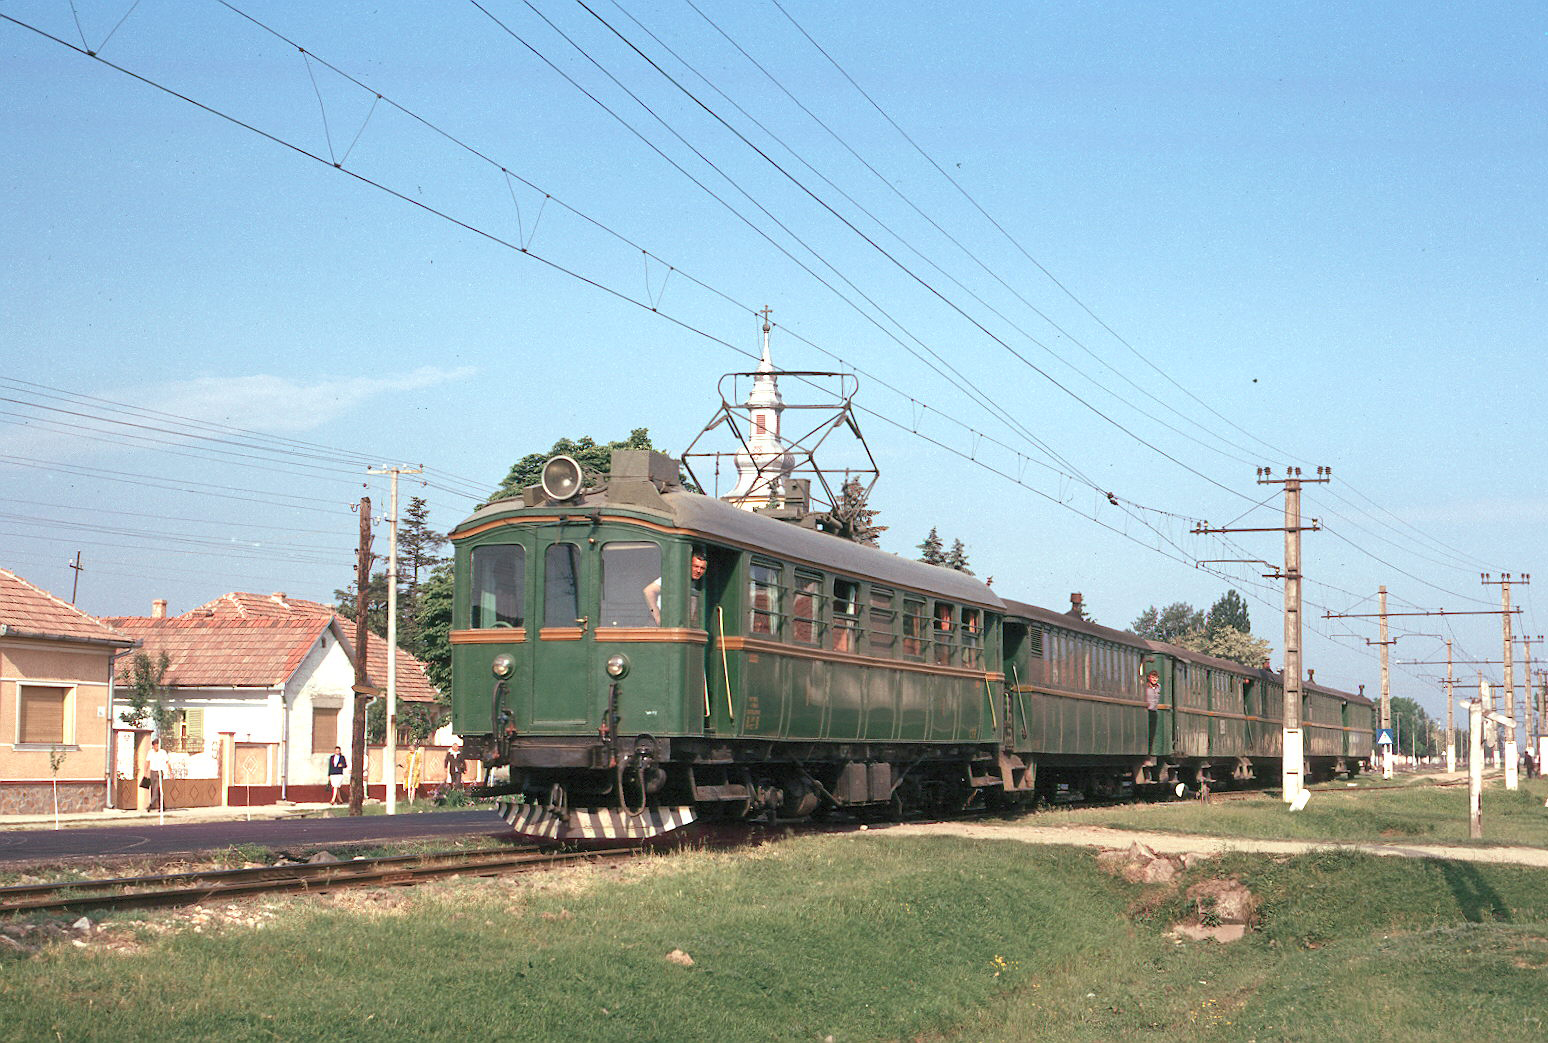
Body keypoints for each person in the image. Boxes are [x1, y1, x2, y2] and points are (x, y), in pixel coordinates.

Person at [644, 551, 708, 626]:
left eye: (702, 568)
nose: (698, 571)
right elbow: (649, 591)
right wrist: (657, 617)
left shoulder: (695, 584)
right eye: (695, 566)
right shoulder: (675, 577)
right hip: (658, 626)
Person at [145, 737, 170, 813]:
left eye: (158, 745)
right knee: (155, 789)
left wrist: (170, 772)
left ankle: (151, 804)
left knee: (157, 788)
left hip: (159, 772)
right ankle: (162, 806)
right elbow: (147, 762)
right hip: (152, 772)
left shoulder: (162, 752)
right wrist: (145, 772)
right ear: (153, 746)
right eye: (155, 745)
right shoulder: (150, 752)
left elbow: (167, 762)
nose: (157, 747)